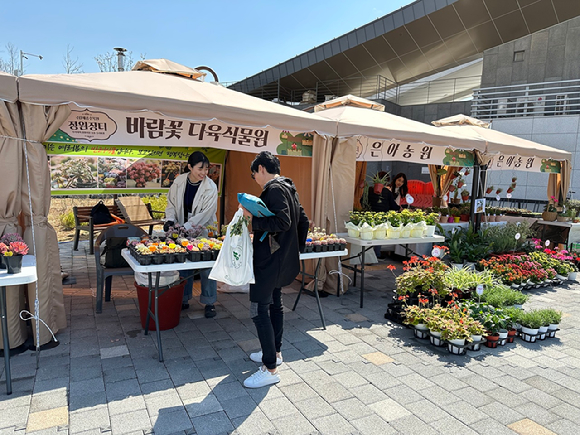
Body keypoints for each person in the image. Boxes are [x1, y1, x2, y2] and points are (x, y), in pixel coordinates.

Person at [240, 151, 309, 388]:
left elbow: (284, 222)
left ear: (261, 169)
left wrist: (253, 220)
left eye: (254, 175)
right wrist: (294, 248)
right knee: (275, 305)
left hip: (270, 261)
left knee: (259, 310)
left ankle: (269, 368)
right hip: (281, 258)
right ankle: (275, 353)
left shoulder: (274, 189)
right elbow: (303, 220)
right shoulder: (289, 187)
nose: (256, 180)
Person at [164, 151, 218, 318]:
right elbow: (171, 202)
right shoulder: (179, 181)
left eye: (206, 169)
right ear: (189, 167)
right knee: (184, 262)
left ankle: (209, 302)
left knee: (207, 265)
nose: (204, 173)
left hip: (203, 229)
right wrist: (170, 220)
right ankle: (184, 298)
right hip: (181, 227)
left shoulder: (210, 187)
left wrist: (186, 227)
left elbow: (205, 214)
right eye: (200, 168)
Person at [365, 171, 400, 259]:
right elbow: (393, 205)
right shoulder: (386, 192)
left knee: (369, 235)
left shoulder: (369, 190)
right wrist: (399, 208)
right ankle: (376, 255)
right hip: (382, 216)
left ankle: (368, 256)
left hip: (370, 215)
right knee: (379, 236)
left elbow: (364, 202)